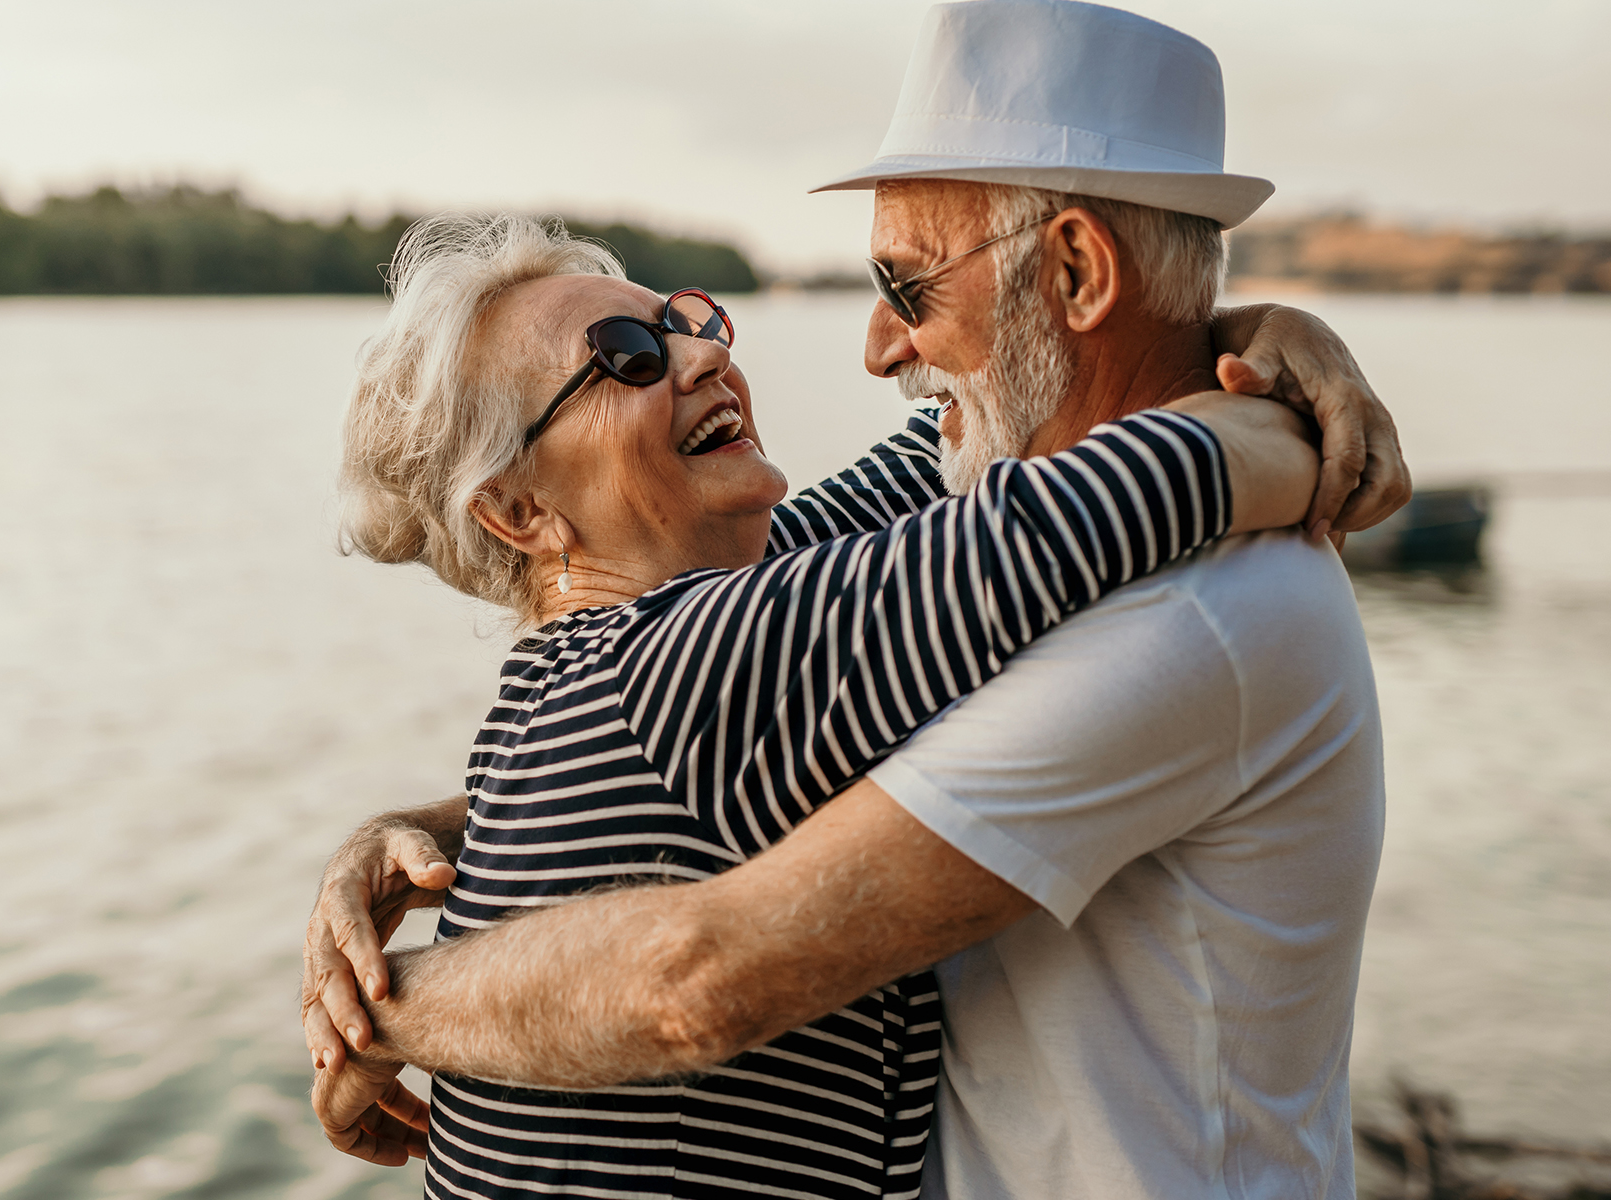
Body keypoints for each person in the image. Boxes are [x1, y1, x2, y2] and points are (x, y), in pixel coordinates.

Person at [303, 4, 1408, 1199]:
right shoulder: (728, 646)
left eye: (907, 284)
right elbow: (1030, 508)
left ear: (1081, 270)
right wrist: (1259, 421)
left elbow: (964, 492)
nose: (877, 351)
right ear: (515, 513)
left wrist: (1251, 354)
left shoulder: (1194, 601)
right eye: (629, 355)